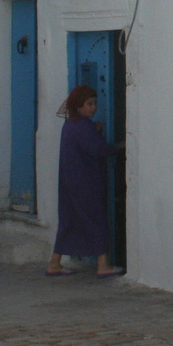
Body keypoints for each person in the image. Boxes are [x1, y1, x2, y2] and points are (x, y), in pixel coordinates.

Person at [46, 84, 124, 278]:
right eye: (89, 104)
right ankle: (103, 265)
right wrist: (121, 145)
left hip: (69, 183)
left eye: (94, 104)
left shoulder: (71, 124)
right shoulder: (83, 127)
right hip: (86, 183)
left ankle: (54, 264)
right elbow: (99, 150)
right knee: (96, 220)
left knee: (68, 222)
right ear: (78, 105)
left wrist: (94, 129)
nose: (94, 108)